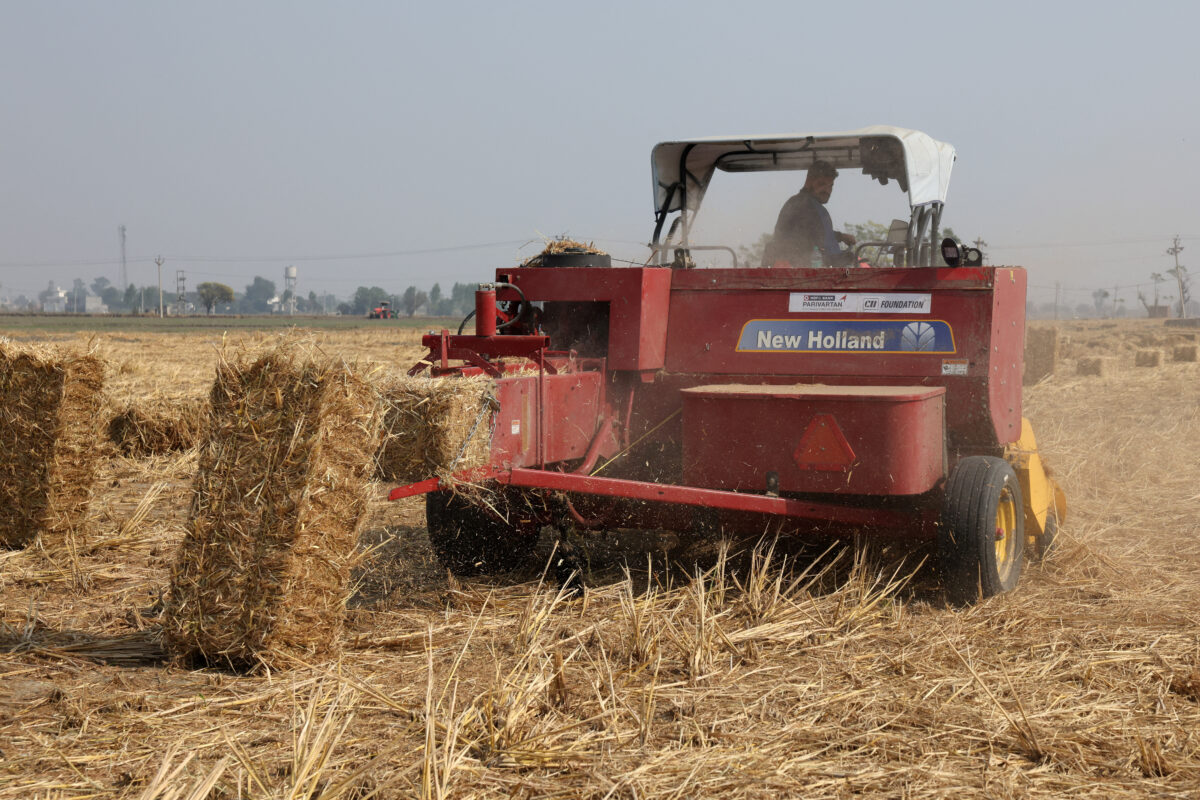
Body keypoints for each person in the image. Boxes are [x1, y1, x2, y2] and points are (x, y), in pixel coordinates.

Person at [762, 160, 856, 267]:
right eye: (822, 184)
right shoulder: (806, 205)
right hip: (802, 272)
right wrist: (844, 257)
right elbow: (817, 240)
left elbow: (813, 233)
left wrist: (841, 237)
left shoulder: (797, 202)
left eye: (830, 186)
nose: (827, 190)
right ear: (809, 180)